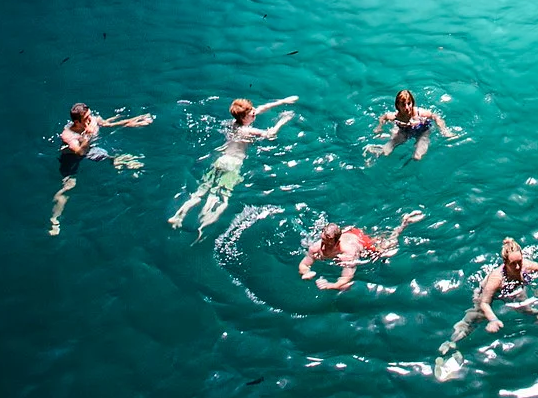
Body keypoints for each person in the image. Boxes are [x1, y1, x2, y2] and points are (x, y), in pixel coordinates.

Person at [435, 236, 538, 372]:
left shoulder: (526, 265)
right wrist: (493, 319)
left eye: (520, 262)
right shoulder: (496, 278)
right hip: (488, 294)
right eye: (514, 264)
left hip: (513, 291)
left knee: (531, 311)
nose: (519, 267)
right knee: (475, 317)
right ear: (505, 263)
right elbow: (485, 303)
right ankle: (451, 344)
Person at [168, 95, 296, 232]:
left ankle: (178, 216)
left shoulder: (233, 123)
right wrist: (283, 121)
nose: (254, 112)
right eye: (251, 113)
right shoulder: (247, 131)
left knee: (201, 190)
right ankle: (202, 226)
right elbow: (270, 134)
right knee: (221, 197)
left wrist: (282, 101)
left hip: (221, 160)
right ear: (244, 118)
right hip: (233, 164)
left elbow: (260, 109)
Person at [50, 100, 154, 236]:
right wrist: (87, 135)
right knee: (69, 185)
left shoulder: (92, 120)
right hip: (71, 158)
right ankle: (55, 219)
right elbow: (80, 152)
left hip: (90, 148)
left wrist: (132, 121)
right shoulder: (68, 135)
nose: (90, 120)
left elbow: (107, 124)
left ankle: (116, 161)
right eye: (86, 119)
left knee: (110, 155)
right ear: (77, 122)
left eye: (90, 116)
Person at [299, 209, 423, 291]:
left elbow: (346, 278)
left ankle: (404, 224)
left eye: (328, 244)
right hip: (347, 232)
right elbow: (304, 263)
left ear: (337, 242)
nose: (323, 247)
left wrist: (330, 285)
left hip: (358, 239)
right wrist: (305, 272)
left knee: (385, 249)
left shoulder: (348, 253)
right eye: (323, 241)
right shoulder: (316, 246)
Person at [372, 88, 456, 160]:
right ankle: (371, 151)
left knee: (417, 157)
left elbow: (435, 116)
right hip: (404, 131)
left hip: (422, 131)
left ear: (412, 102)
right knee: (386, 151)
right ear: (398, 105)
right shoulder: (395, 116)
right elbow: (383, 117)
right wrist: (379, 127)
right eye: (403, 105)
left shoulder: (420, 113)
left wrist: (444, 130)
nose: (407, 107)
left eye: (409, 103)